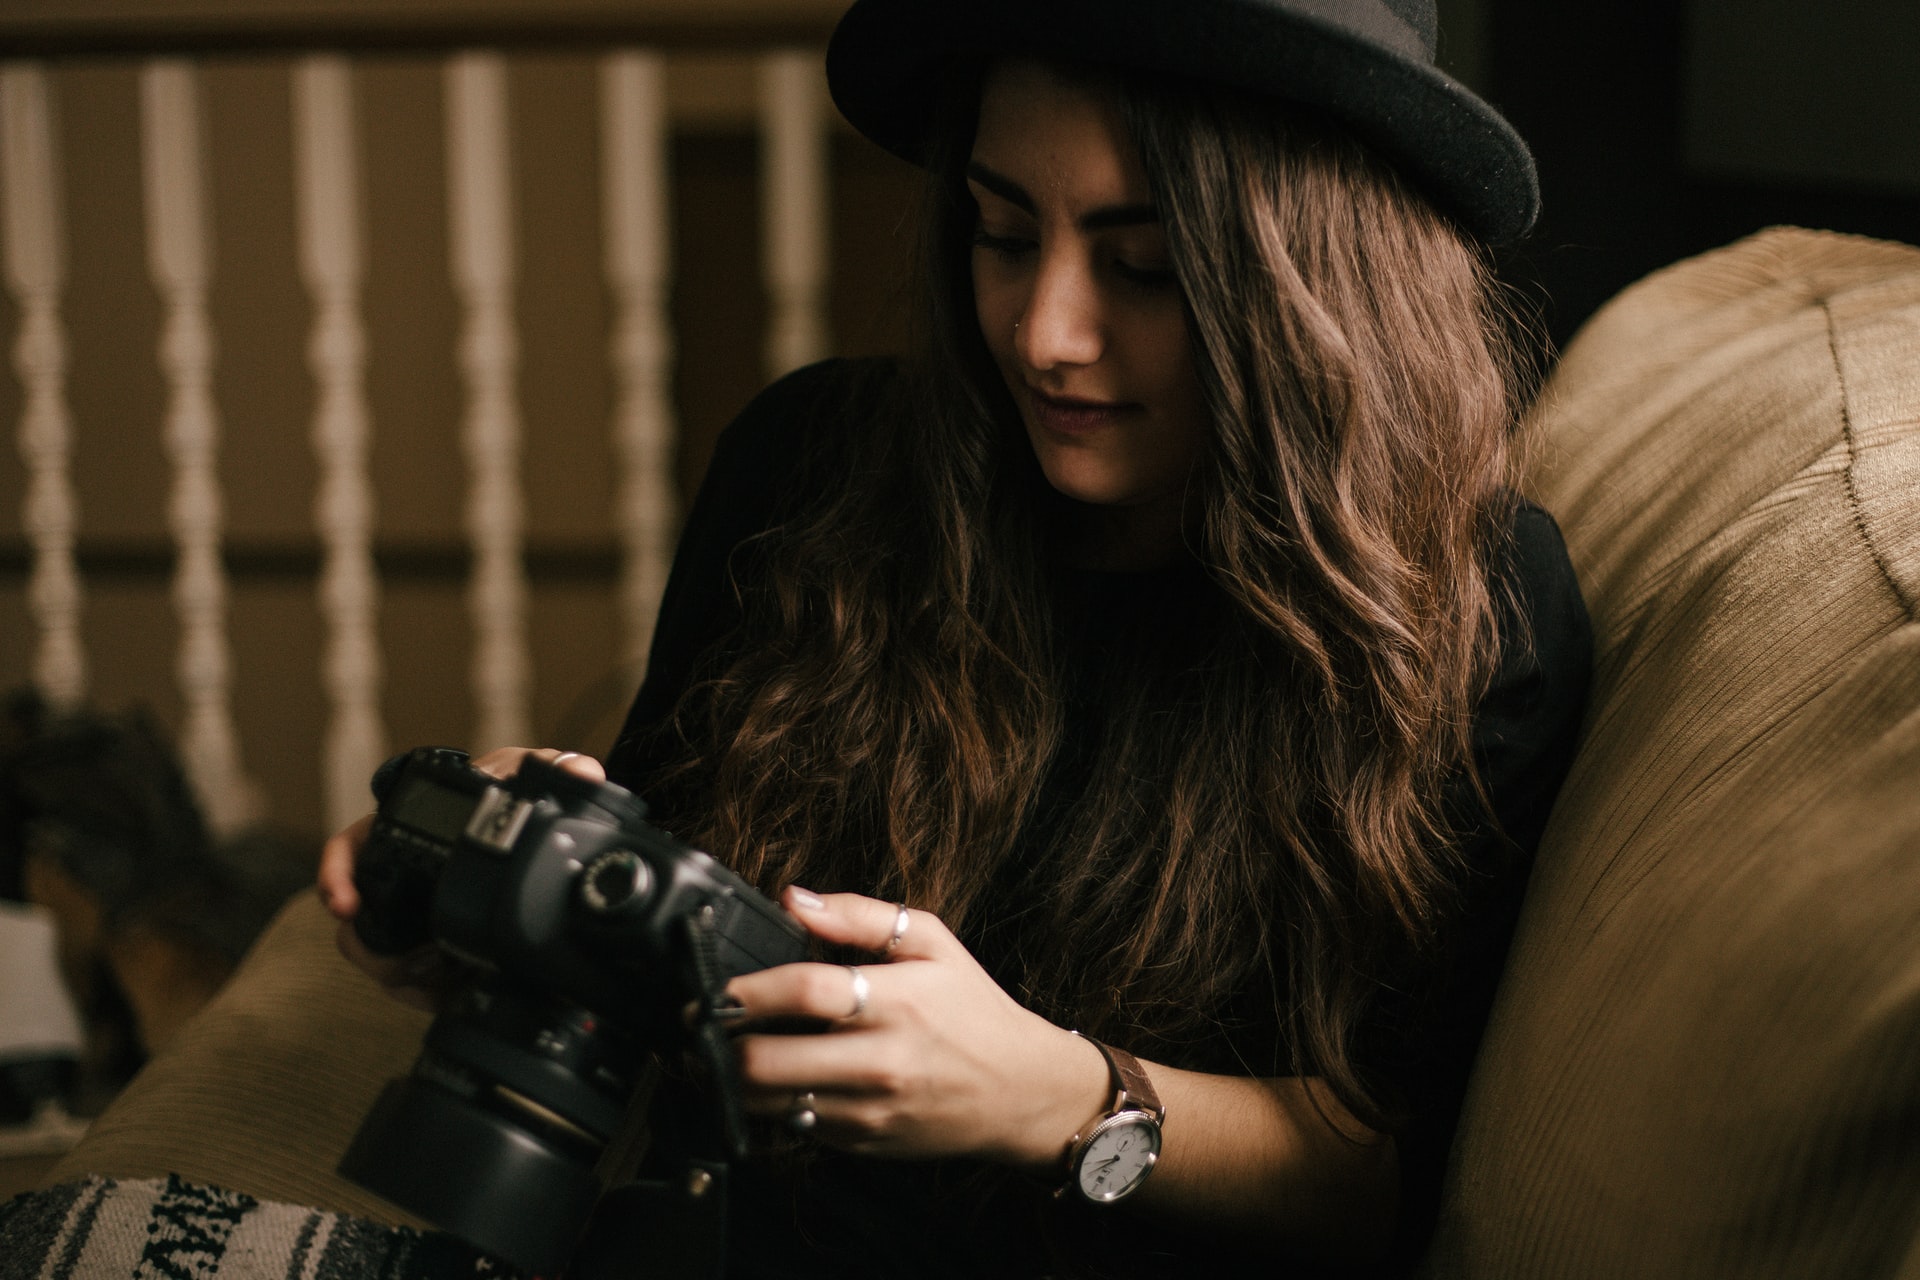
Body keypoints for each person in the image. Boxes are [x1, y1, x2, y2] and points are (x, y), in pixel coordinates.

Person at [320, 0, 1590, 1274]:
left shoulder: (1472, 606)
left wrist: (1061, 1096)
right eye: (1000, 231)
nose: (1046, 334)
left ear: (1319, 280)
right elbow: (648, 976)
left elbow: (1384, 1172)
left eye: (1143, 265)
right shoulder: (807, 469)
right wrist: (478, 896)